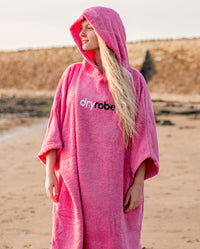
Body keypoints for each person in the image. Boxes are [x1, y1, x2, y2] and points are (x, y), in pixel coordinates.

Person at [38, 6, 159, 249]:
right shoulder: (72, 75)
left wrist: (138, 185)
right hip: (74, 182)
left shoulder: (133, 81)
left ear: (106, 32)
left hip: (114, 185)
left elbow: (144, 138)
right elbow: (55, 126)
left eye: (89, 28)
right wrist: (51, 172)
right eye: (81, 28)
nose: (82, 34)